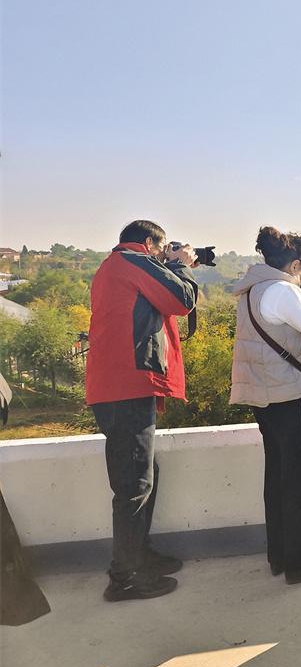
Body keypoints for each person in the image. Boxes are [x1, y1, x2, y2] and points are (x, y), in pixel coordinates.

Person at [86, 220, 199, 602]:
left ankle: (140, 556)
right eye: (162, 248)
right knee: (133, 484)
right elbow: (182, 300)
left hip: (116, 386)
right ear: (149, 243)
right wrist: (180, 265)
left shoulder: (114, 266)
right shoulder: (133, 260)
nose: (164, 254)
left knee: (145, 472)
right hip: (127, 387)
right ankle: (125, 577)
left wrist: (170, 264)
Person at [230, 227, 301, 584]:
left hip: (265, 396)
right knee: (300, 479)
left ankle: (279, 555)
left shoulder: (254, 290)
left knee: (278, 476)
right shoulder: (282, 291)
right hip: (291, 394)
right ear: (295, 264)